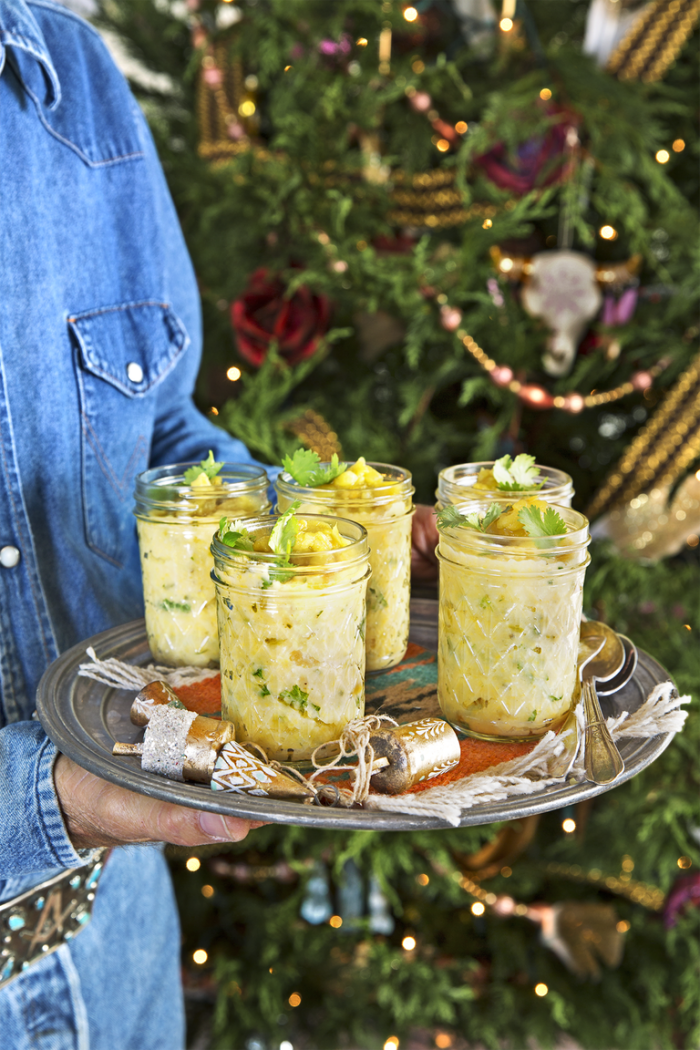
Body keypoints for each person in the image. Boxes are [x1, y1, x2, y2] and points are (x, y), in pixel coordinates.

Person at [0, 2, 440, 1045]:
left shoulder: (69, 73)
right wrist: (41, 799)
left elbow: (158, 442)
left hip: (121, 949)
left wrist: (326, 539)